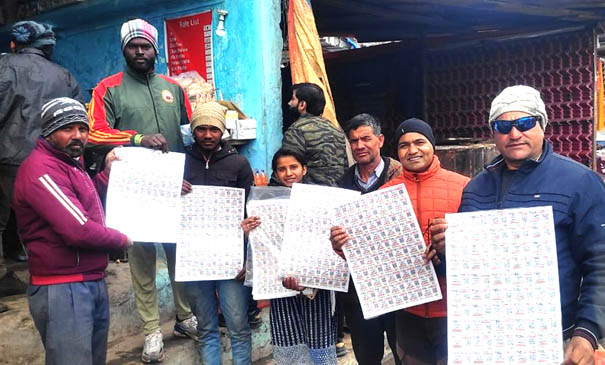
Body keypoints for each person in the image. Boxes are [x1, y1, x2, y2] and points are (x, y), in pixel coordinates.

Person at [429, 85, 605, 365]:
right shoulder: (476, 187)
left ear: (542, 125)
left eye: (525, 123)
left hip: (553, 340)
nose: (514, 133)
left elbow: (600, 263)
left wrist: (586, 333)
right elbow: (462, 271)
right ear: (493, 132)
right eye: (503, 125)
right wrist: (446, 251)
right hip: (485, 339)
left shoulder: (580, 182)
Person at [88, 18, 196, 363]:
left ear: (155, 50)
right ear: (124, 50)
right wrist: (136, 138)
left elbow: (187, 132)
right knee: (142, 260)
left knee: (180, 255)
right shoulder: (108, 88)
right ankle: (151, 328)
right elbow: (95, 134)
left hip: (173, 185)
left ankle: (184, 317)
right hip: (134, 191)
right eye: (133, 46)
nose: (139, 52)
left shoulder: (173, 89)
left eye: (145, 46)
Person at [332, 118, 469, 365]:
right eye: (404, 145)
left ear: (432, 145)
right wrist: (342, 247)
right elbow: (369, 251)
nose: (412, 150)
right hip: (407, 310)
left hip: (454, 307)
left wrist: (451, 246)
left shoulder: (463, 187)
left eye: (419, 142)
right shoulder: (386, 194)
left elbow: (478, 246)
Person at [12, 97, 133, 365]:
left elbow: (86, 207)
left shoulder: (69, 164)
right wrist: (123, 239)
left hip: (87, 280)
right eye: (68, 129)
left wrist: (106, 175)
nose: (78, 136)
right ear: (49, 131)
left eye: (83, 128)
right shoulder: (42, 170)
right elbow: (78, 229)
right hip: (63, 287)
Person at [0, 20, 85, 269]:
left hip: (5, 162)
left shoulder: (2, 67)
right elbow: (79, 122)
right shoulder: (64, 75)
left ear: (15, 44)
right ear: (47, 48)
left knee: (5, 218)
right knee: (49, 213)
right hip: (50, 162)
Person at [242, 148, 338, 365]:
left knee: (319, 341)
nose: (288, 173)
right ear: (276, 173)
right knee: (288, 340)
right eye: (281, 169)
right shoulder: (265, 204)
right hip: (280, 285)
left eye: (293, 167)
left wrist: (309, 283)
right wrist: (250, 232)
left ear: (304, 169)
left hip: (316, 288)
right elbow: (263, 247)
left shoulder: (321, 200)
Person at [182, 101, 254, 364]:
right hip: (195, 260)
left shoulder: (239, 164)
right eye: (202, 129)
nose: (208, 135)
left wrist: (248, 259)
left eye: (214, 129)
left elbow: (250, 213)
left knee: (238, 325)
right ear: (193, 131)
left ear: (223, 131)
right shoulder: (180, 162)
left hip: (230, 261)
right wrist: (172, 189)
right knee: (206, 327)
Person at [330, 114, 402, 364]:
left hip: (397, 287)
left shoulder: (400, 177)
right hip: (359, 290)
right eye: (353, 141)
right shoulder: (342, 186)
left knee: (405, 354)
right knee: (367, 356)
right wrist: (336, 242)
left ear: (380, 140)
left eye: (366, 139)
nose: (359, 146)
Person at [279, 82, 349, 187]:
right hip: (338, 192)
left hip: (311, 195)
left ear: (302, 105)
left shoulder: (297, 130)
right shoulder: (336, 130)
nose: (289, 103)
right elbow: (345, 166)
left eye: (293, 99)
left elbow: (286, 166)